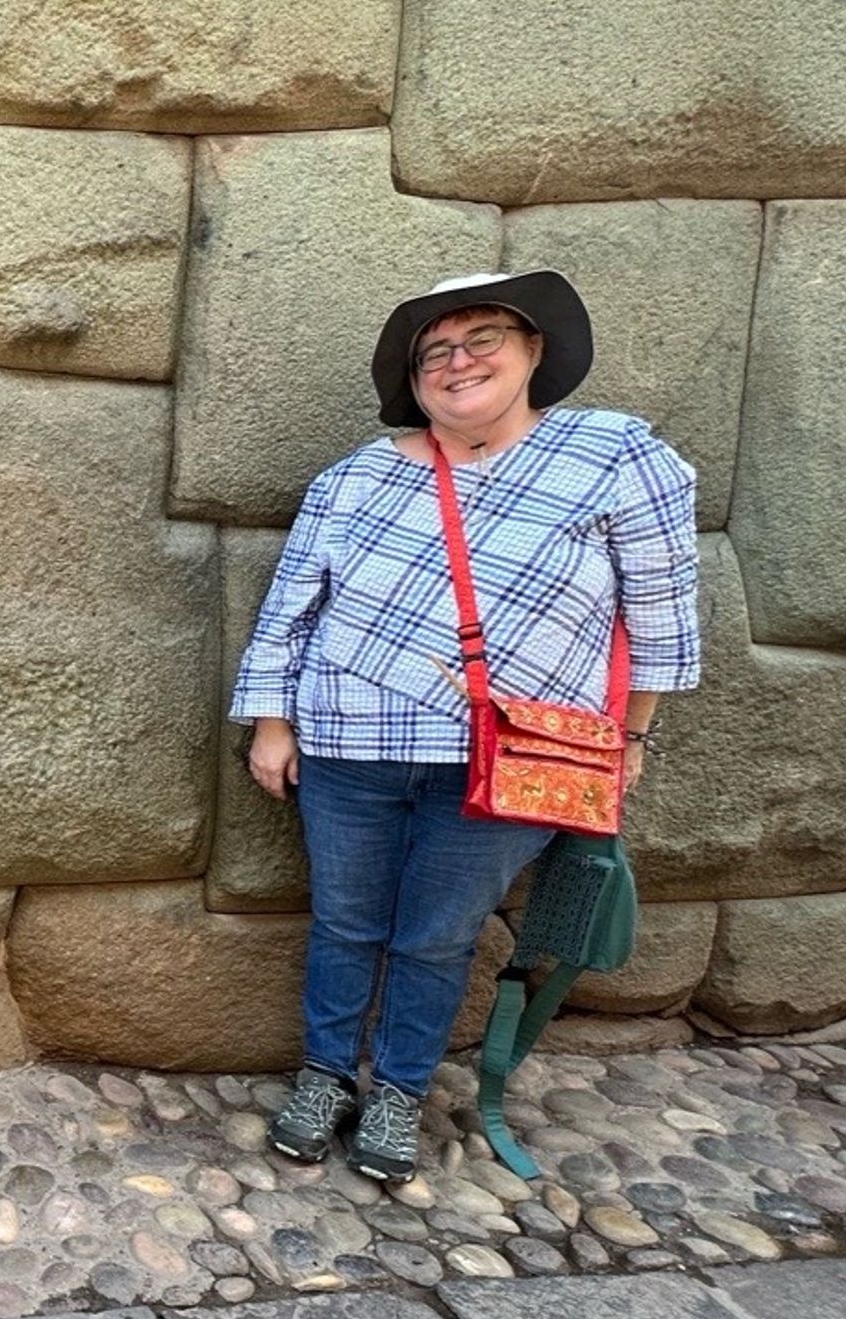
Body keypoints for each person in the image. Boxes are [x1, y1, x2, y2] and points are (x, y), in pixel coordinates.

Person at [230, 271, 699, 1182]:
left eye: (484, 337)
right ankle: (326, 1075)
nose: (459, 361)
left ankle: (401, 1090)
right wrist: (271, 724)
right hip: (350, 745)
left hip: (512, 760)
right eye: (436, 350)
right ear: (414, 381)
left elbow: (663, 613)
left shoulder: (612, 458)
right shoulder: (355, 477)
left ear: (533, 352)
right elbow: (290, 608)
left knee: (438, 934)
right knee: (345, 921)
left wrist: (630, 740)